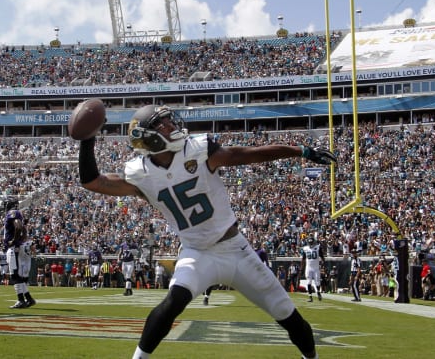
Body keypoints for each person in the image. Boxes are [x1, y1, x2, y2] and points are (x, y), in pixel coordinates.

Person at [77, 104, 334, 359]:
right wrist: (87, 141)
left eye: (169, 121)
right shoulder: (140, 174)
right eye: (162, 124)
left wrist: (300, 150)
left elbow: (246, 154)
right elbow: (92, 181)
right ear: (149, 137)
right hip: (196, 253)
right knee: (173, 302)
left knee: (290, 317)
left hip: (236, 249)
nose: (171, 125)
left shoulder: (199, 150)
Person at [3, 196, 36, 309]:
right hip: (16, 247)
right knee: (17, 276)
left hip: (13, 248)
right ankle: (29, 299)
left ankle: (21, 300)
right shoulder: (17, 213)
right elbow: (23, 229)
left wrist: (14, 240)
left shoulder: (12, 213)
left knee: (14, 275)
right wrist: (22, 239)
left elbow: (18, 226)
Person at [301, 237, 323, 302]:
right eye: (310, 242)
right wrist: (302, 267)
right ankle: (310, 297)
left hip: (316, 268)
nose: (311, 244)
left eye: (311, 242)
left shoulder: (318, 247)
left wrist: (323, 262)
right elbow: (303, 258)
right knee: (308, 282)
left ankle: (318, 292)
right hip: (308, 267)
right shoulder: (306, 249)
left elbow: (322, 256)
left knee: (317, 282)